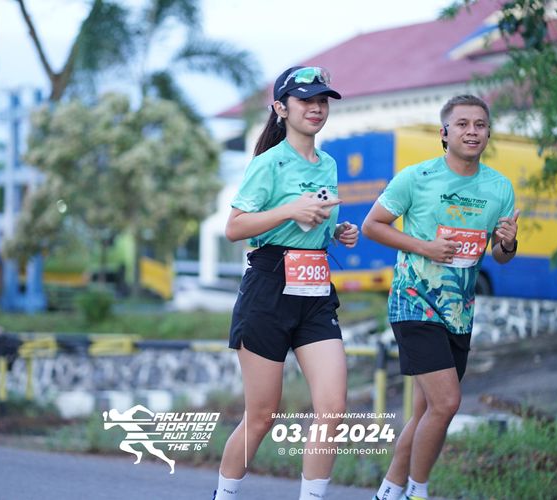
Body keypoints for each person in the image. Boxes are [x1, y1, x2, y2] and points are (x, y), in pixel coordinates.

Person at [212, 66, 359, 500]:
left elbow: (311, 221)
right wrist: (290, 210)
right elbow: (235, 228)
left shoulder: (328, 163)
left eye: (322, 101)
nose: (316, 108)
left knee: (333, 408)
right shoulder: (268, 163)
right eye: (305, 100)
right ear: (281, 108)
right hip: (269, 288)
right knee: (262, 415)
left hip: (315, 290)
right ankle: (224, 495)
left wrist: (335, 231)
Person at [362, 95, 519, 500]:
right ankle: (418, 491)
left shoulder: (499, 188)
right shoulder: (416, 177)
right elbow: (373, 226)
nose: (472, 131)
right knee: (447, 403)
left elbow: (500, 256)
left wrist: (508, 243)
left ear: (488, 133)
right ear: (444, 133)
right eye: (462, 124)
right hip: (414, 302)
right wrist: (424, 247)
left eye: (480, 125)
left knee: (426, 412)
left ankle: (388, 491)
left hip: (459, 312)